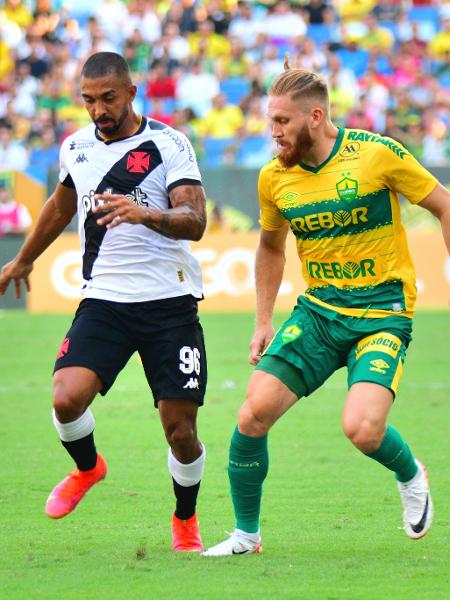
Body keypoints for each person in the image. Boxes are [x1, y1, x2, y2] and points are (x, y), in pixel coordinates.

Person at [203, 62, 450, 556]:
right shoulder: (275, 177)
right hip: (318, 313)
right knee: (252, 414)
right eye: (270, 121)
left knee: (361, 429)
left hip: (383, 310)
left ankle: (409, 473)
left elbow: (444, 204)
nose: (273, 133)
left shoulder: (376, 154)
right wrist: (263, 320)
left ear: (315, 117)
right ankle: (246, 536)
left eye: (282, 122)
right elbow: (271, 248)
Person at [0, 52, 208, 553]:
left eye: (108, 98)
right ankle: (89, 468)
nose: (99, 110)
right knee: (65, 398)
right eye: (89, 100)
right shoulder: (75, 146)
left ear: (131, 93)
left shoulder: (169, 143)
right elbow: (61, 205)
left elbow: (195, 220)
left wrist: (145, 214)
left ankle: (185, 520)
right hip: (105, 301)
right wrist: (24, 260)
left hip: (169, 304)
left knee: (180, 432)